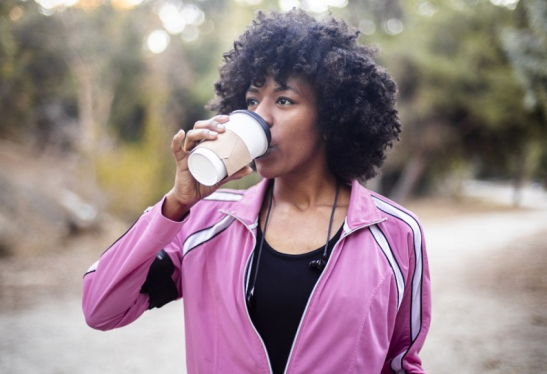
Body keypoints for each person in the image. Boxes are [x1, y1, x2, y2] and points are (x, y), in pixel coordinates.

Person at [82, 9, 430, 374]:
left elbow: (401, 364)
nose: (259, 116)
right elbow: (100, 309)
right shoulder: (203, 220)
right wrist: (176, 204)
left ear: (331, 118)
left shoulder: (395, 233)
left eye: (284, 101)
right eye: (251, 101)